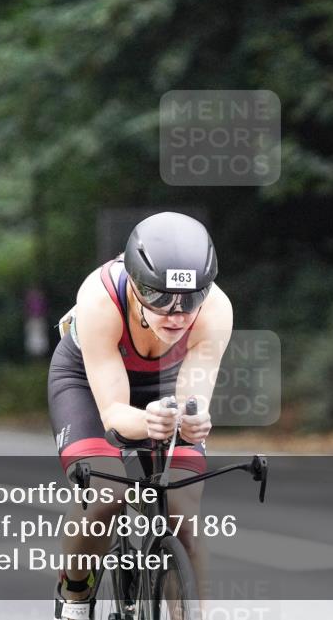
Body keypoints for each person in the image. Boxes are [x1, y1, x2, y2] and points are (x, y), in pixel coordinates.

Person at [48, 212, 233, 619]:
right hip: (89, 381)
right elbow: (114, 414)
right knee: (104, 496)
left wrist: (195, 419)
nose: (176, 314)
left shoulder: (217, 309)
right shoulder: (99, 299)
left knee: (183, 516)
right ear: (134, 283)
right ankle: (75, 595)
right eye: (160, 297)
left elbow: (192, 399)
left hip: (165, 382)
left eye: (189, 300)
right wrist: (146, 422)